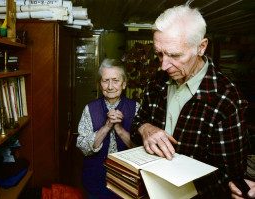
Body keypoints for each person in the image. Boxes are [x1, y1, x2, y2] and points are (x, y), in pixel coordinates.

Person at [130, 4, 249, 198]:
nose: (163, 66)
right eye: (159, 53)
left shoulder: (225, 100)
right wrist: (145, 129)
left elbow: (230, 175)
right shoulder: (156, 81)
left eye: (175, 55)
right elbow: (136, 124)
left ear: (201, 47)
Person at [76, 58, 140, 199]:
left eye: (115, 80)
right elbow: (83, 147)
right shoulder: (89, 108)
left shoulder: (136, 108)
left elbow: (141, 150)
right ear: (100, 84)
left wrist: (119, 129)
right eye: (105, 81)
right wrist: (107, 126)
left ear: (124, 84)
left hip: (128, 180)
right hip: (96, 180)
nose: (110, 86)